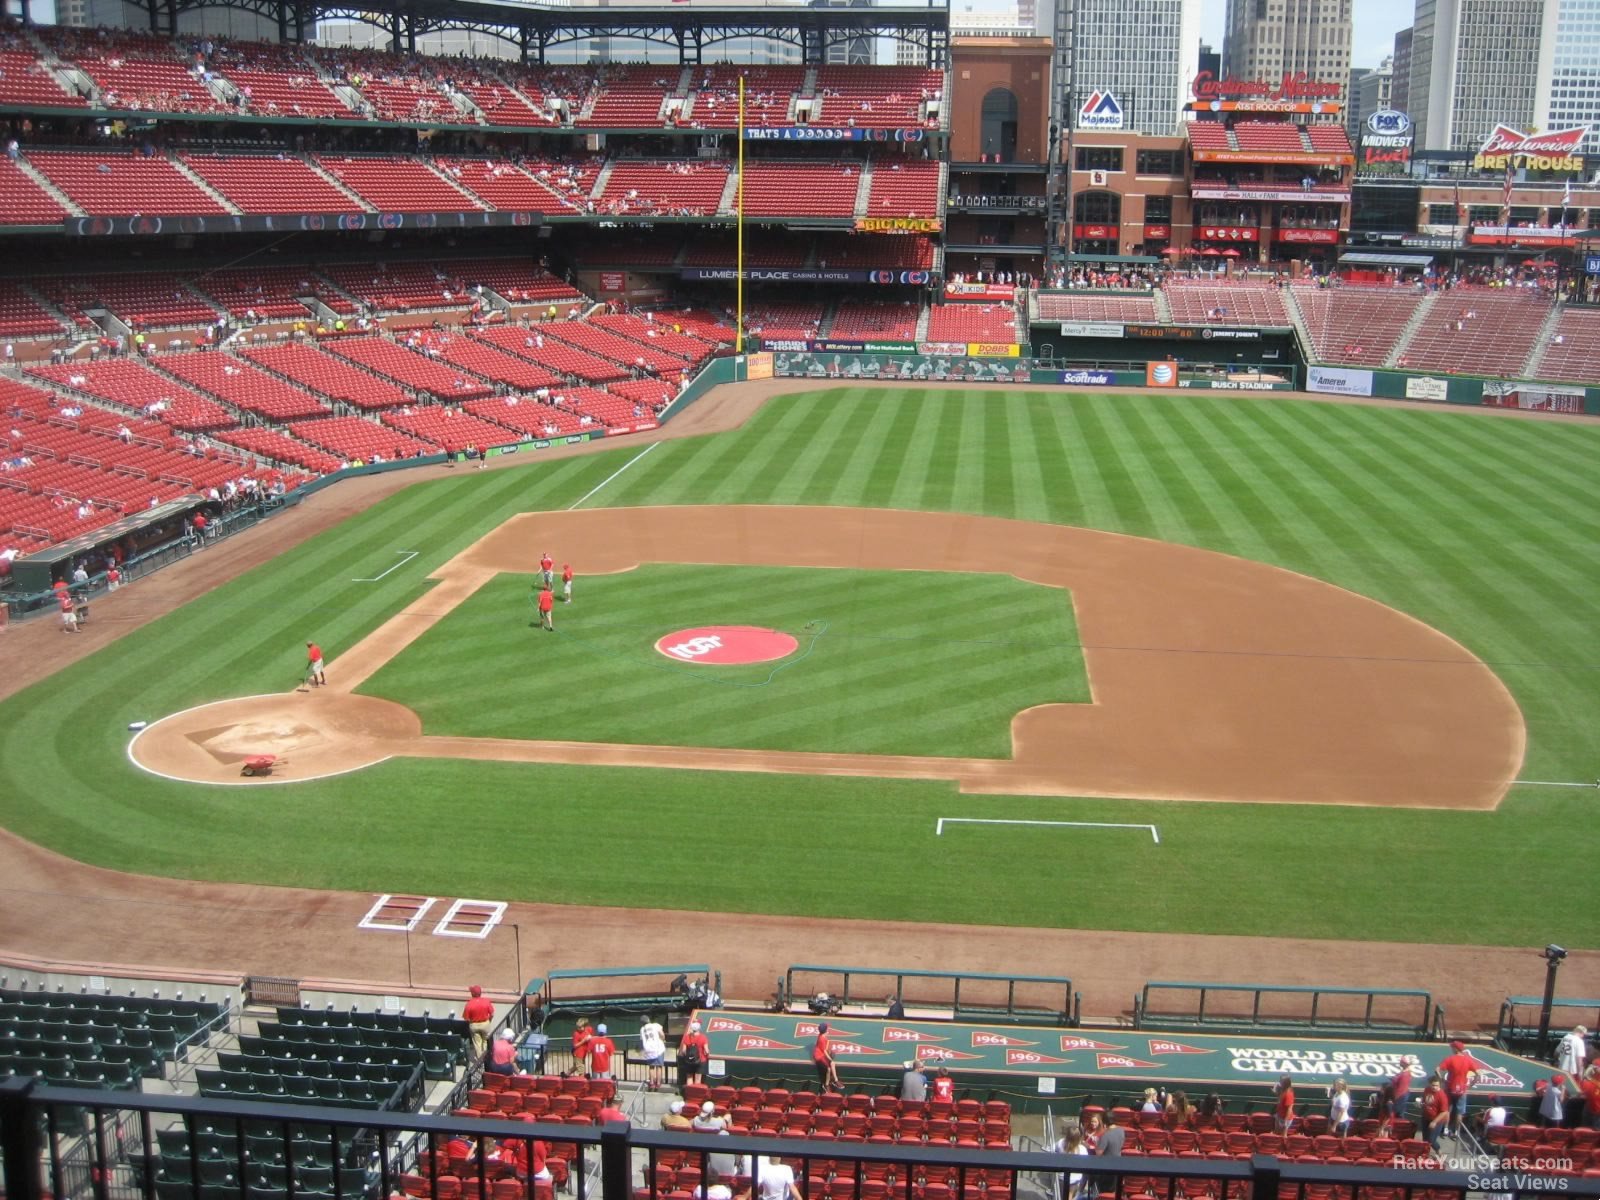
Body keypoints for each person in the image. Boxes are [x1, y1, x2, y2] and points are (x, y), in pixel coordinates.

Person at [1438, 1041, 1478, 1139]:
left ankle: (1446, 1129)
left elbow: (1437, 1070)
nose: (1451, 1049)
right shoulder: (1468, 1060)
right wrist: (1471, 1085)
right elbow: (1478, 1074)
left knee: (1447, 1110)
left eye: (1452, 1047)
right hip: (1462, 1089)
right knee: (1460, 1112)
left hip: (1450, 1088)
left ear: (1456, 1048)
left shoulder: (1450, 1059)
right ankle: (1456, 1132)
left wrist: (1442, 1080)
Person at [1049, 1121, 1090, 1200]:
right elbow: (1086, 1164)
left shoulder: (1061, 1143)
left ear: (1067, 1136)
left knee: (1063, 1195)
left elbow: (1052, 1148)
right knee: (1070, 1195)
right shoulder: (1082, 1149)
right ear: (1079, 1137)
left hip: (1062, 1176)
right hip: (1075, 1177)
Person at [462, 985, 494, 1059]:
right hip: (485, 1024)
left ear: (472, 994)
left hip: (474, 1025)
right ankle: (485, 1058)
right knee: (485, 1041)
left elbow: (466, 1018)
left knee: (477, 1044)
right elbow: (492, 1014)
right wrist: (489, 1021)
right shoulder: (486, 1001)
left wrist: (472, 1022)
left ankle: (480, 1061)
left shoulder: (469, 1004)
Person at [1420, 1077, 1450, 1149]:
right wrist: (1421, 1104)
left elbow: (1444, 1112)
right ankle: (1425, 1154)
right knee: (1425, 1139)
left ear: (1440, 1086)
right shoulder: (1427, 1090)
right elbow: (1424, 1100)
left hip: (1437, 1120)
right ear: (1430, 1084)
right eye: (1433, 1085)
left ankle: (1439, 1152)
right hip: (1425, 1117)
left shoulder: (1442, 1096)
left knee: (1431, 1140)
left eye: (1437, 1085)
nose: (1434, 1087)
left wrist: (1434, 1122)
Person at [639, 1015, 667, 1091]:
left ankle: (651, 1083)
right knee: (659, 1066)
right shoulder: (655, 1025)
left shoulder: (642, 1029)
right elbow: (662, 1035)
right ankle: (658, 1083)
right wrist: (662, 1039)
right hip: (658, 1048)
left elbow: (642, 1039)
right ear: (648, 1020)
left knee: (651, 1067)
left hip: (648, 1049)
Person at [812, 1022, 840, 1091]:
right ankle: (826, 1085)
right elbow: (824, 1051)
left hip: (822, 1054)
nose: (828, 1028)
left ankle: (836, 1080)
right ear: (825, 1030)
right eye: (827, 1028)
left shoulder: (822, 1036)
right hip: (819, 1057)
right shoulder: (822, 1039)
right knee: (828, 1069)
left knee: (833, 1063)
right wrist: (830, 1059)